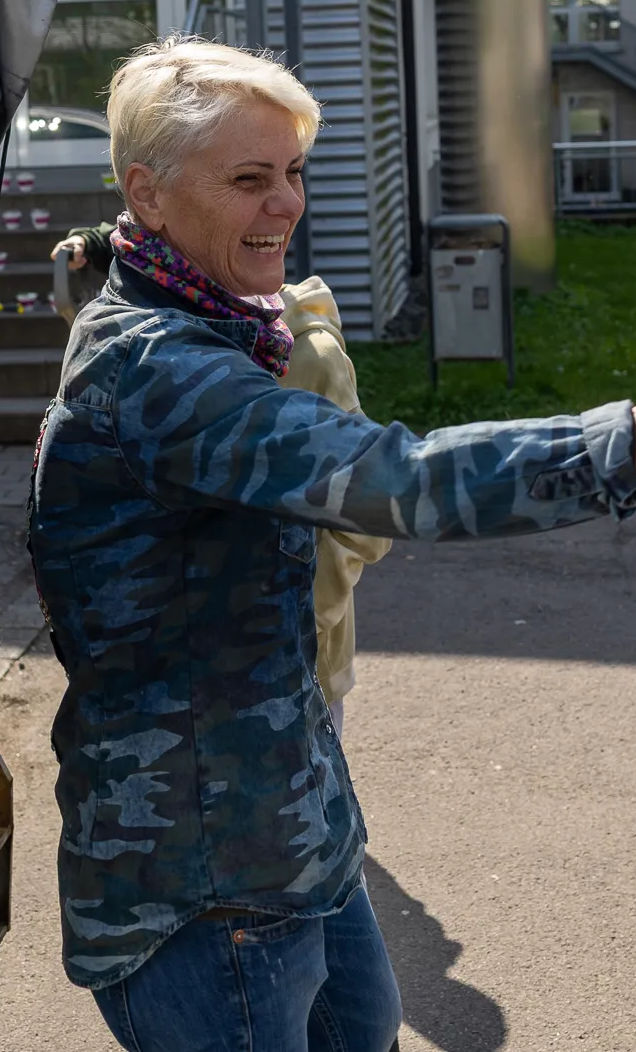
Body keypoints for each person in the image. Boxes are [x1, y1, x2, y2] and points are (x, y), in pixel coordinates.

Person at [29, 35, 636, 1052]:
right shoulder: (157, 369)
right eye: (249, 180)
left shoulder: (215, 324)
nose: (286, 205)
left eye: (294, 173)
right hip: (202, 884)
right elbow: (406, 481)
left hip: (294, 842)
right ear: (148, 193)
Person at [52, 228, 386, 732]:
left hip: (290, 677)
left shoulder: (304, 357)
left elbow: (365, 519)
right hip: (171, 684)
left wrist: (296, 623)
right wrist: (93, 245)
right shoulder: (146, 345)